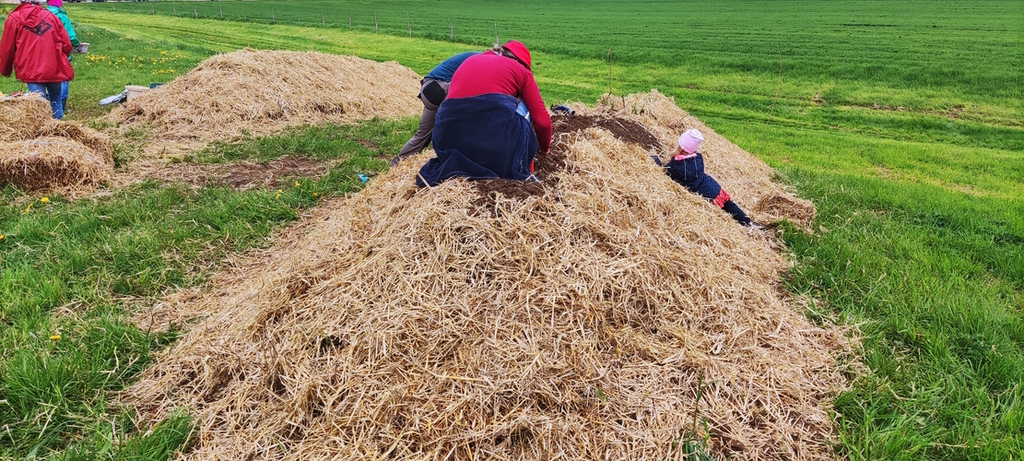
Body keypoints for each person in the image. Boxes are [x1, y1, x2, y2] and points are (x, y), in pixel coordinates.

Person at [416, 40, 552, 187]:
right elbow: (542, 121)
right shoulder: (522, 71)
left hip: (446, 139)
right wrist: (544, 149)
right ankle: (523, 167)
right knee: (525, 103)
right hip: (494, 142)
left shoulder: (470, 61)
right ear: (523, 63)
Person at [391, 50, 481, 167]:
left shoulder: (477, 56)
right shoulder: (480, 61)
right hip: (438, 88)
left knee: (421, 136)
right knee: (455, 128)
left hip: (429, 89)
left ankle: (396, 166)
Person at [660, 129, 753, 226]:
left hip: (706, 196)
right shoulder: (698, 158)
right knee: (729, 205)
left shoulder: (675, 166)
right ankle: (748, 222)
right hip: (712, 187)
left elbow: (665, 171)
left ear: (681, 147)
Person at [0, 0, 73, 119]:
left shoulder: (14, 18)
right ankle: (59, 129)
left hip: (31, 68)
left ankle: (45, 132)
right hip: (53, 67)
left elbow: (7, 48)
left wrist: (5, 69)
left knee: (39, 104)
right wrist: (60, 57)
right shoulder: (51, 17)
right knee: (56, 100)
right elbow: (67, 44)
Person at [46, 0, 78, 115]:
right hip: (61, 52)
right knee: (63, 78)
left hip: (45, 53)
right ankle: (61, 105)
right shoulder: (62, 17)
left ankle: (45, 103)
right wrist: (77, 44)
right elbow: (71, 37)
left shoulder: (44, 14)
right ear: (60, 4)